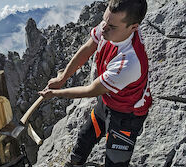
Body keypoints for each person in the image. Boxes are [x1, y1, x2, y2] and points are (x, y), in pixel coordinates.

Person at [38, 0, 152, 166]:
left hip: (127, 115)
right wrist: (61, 79)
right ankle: (75, 163)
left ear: (134, 27)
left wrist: (54, 94)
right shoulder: (112, 26)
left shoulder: (129, 62)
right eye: (105, 19)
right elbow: (87, 48)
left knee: (115, 162)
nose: (104, 27)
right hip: (107, 100)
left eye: (111, 26)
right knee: (84, 138)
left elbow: (91, 90)